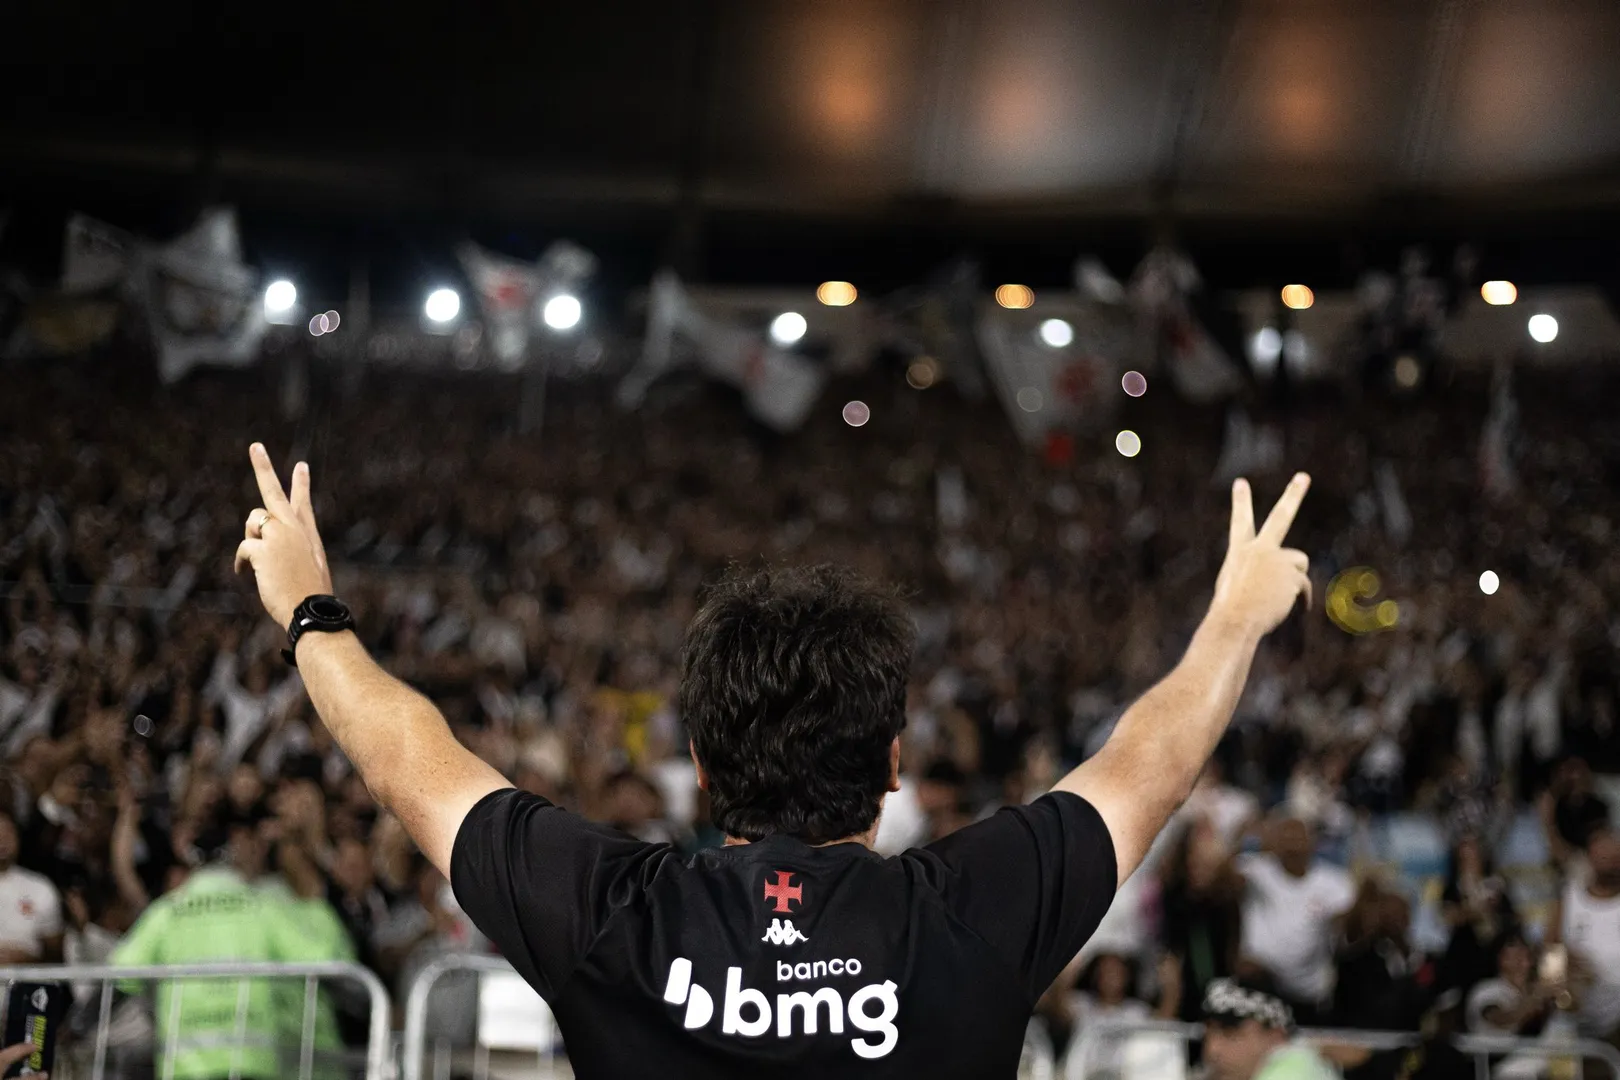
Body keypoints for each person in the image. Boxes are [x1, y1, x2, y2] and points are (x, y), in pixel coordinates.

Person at [231, 443, 1312, 1077]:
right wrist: (1233, 623)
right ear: (893, 761)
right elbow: (1150, 767)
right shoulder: (970, 915)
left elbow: (405, 756)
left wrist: (310, 607)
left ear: (700, 762)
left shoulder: (614, 916)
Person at [1237, 817, 1355, 1022]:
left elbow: (1348, 924)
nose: (1292, 842)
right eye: (1286, 835)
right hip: (1260, 982)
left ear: (1312, 842)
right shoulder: (1255, 868)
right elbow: (1218, 877)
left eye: (1298, 835)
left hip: (1309, 990)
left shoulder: (1334, 882)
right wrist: (1255, 843)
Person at [1547, 824, 1620, 1040]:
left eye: (1615, 855)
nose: (1610, 861)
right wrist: (1558, 988)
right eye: (1603, 855)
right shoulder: (1570, 897)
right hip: (1576, 1000)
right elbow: (1550, 948)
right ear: (1589, 857)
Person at [1201, 978, 1336, 1080]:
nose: (1212, 1050)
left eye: (1230, 1034)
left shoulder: (1294, 1073)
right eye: (1208, 1034)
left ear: (1276, 1036)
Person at [0, 809, 63, 962]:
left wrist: (26, 960)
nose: (2, 839)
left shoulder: (40, 888)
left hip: (27, 982)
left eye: (8, 833)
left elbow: (55, 954)